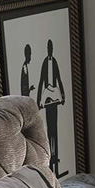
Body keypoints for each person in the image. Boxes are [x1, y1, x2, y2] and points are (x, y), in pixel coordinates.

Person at [36, 39, 66, 177]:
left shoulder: (54, 62)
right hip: (47, 98)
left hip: (55, 97)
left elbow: (59, 78)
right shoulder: (44, 62)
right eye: (48, 48)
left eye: (51, 48)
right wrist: (38, 100)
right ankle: (50, 164)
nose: (50, 50)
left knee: (55, 130)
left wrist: (62, 95)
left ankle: (56, 161)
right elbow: (41, 81)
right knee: (49, 131)